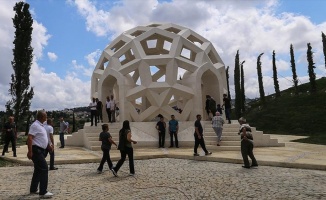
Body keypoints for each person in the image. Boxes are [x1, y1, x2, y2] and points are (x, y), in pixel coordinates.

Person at [27, 110, 53, 198]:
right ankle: (43, 191)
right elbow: (30, 138)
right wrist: (30, 151)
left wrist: (48, 145)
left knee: (38, 170)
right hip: (36, 150)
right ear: (42, 117)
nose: (47, 118)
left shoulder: (41, 125)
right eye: (46, 116)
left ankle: (33, 189)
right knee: (44, 168)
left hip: (41, 150)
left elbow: (42, 138)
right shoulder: (35, 125)